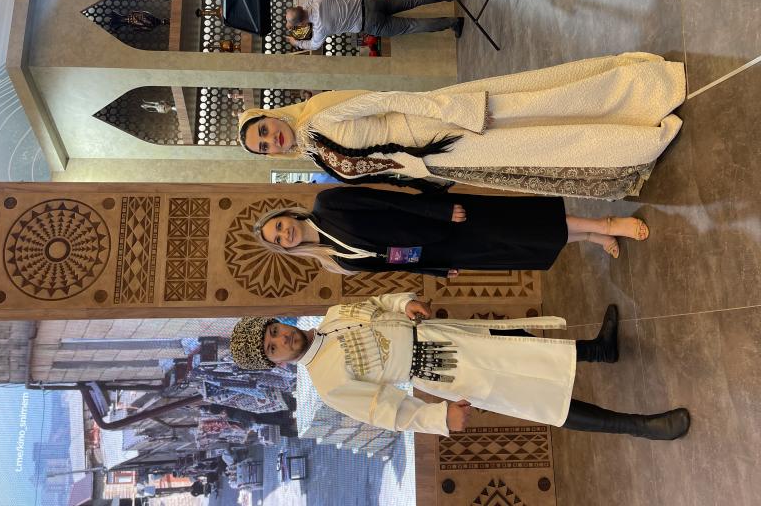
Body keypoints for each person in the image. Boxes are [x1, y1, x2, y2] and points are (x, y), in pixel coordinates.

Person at [229, 297, 690, 440]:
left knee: (524, 345)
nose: (281, 340)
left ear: (278, 323)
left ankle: (600, 350)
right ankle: (638, 426)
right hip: (442, 369)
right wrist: (438, 417)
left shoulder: (333, 315)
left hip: (445, 334)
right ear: (275, 363)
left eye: (274, 331)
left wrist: (404, 304)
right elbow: (386, 410)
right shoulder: (328, 384)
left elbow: (379, 303)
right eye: (272, 349)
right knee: (539, 399)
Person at [239, 53, 685, 199]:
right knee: (539, 146)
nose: (270, 139)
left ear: (270, 115)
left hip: (439, 124)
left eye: (263, 130)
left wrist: (452, 109)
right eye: (263, 147)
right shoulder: (314, 154)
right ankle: (629, 141)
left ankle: (636, 97)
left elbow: (387, 100)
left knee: (536, 112)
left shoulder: (320, 114)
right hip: (440, 159)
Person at [253, 187, 649, 276]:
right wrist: (436, 270)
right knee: (520, 245)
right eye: (278, 240)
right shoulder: (332, 261)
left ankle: (605, 224)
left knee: (523, 225)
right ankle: (592, 237)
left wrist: (437, 208)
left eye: (280, 226)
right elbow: (392, 266)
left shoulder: (327, 204)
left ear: (288, 215)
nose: (285, 234)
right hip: (440, 251)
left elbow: (385, 200)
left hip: (440, 219)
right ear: (284, 249)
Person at [283, 0, 463, 52]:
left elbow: (314, 45)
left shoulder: (321, 29)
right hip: (370, 2)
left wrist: (296, 42)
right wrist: (293, 19)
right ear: (299, 6)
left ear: (302, 24)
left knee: (412, 25)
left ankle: (454, 22)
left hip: (370, 24)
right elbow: (302, 9)